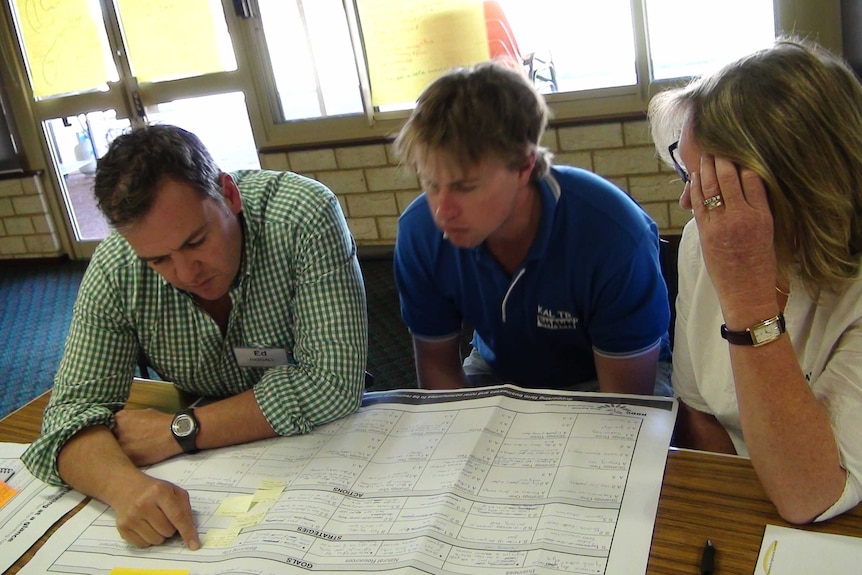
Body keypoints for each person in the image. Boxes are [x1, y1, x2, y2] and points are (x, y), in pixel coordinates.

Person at [22, 124, 368, 548]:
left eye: (196, 241)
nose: (187, 274)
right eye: (159, 259)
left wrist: (179, 430)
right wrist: (125, 488)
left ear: (228, 194)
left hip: (327, 445)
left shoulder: (303, 216)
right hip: (220, 459)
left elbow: (331, 383)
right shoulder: (117, 268)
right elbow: (69, 417)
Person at [649, 37, 862, 523]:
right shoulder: (701, 241)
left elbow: (814, 494)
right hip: (748, 499)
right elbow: (697, 410)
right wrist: (736, 514)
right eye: (689, 173)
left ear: (794, 185)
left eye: (714, 187)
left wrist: (748, 296)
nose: (691, 204)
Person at [393, 61, 671, 394]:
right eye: (430, 183)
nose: (442, 210)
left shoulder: (616, 235)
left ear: (524, 167)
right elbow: (438, 372)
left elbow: (624, 405)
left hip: (606, 377)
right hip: (495, 370)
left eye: (465, 187)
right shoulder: (418, 232)